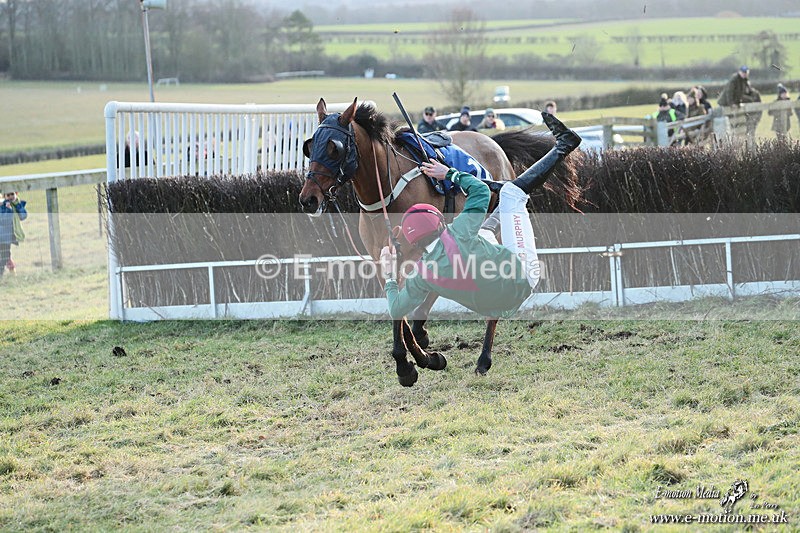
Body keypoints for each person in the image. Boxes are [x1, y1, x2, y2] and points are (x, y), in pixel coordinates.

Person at [380, 113, 581, 320]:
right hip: (523, 278)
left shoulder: (421, 275)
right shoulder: (458, 231)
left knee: (484, 230)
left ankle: (502, 193)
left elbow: (396, 310)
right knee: (512, 194)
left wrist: (389, 274)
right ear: (438, 223)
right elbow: (481, 192)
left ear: (415, 242)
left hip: (494, 308)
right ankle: (565, 144)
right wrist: (449, 173)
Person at [0, 191, 27, 277]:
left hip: (9, 236)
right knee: (5, 255)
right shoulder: (2, 206)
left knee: (6, 255)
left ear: (16, 194)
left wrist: (18, 205)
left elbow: (23, 216)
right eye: (8, 195)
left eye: (12, 194)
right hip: (2, 236)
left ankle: (11, 273)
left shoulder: (16, 205)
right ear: (4, 196)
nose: (11, 197)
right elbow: (4, 220)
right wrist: (8, 209)